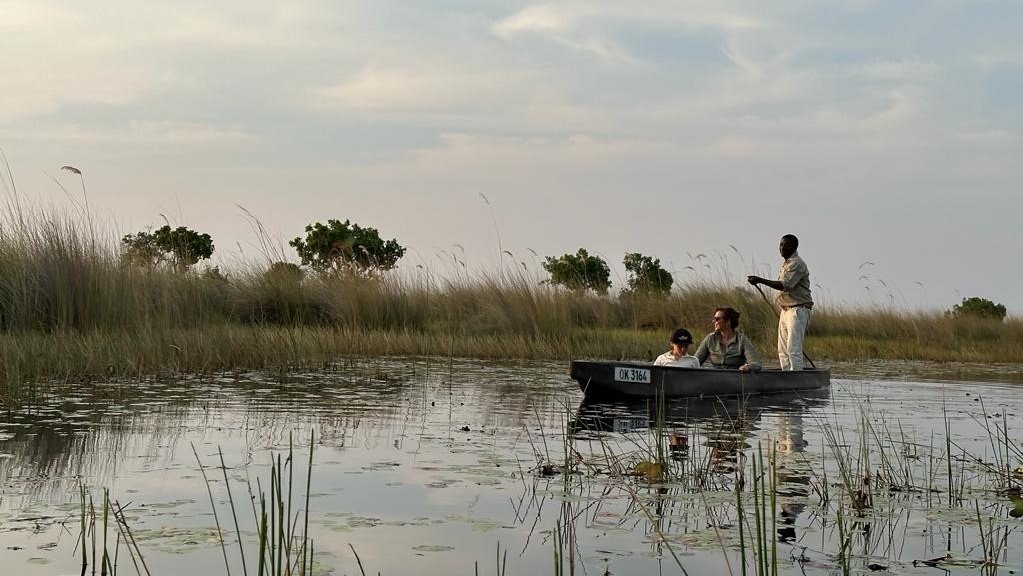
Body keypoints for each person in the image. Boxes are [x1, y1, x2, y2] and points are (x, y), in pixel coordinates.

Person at [747, 234, 813, 370]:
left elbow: (784, 285)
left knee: (793, 349)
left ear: (794, 247)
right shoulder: (787, 263)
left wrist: (760, 280)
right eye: (780, 245)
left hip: (797, 310)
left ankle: (796, 379)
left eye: (785, 245)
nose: (781, 248)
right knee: (782, 350)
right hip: (786, 310)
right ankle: (787, 378)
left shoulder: (796, 263)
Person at [694, 307, 761, 372]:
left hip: (735, 379)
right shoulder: (710, 339)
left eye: (717, 319)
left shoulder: (742, 340)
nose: (714, 321)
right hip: (714, 378)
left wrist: (748, 367)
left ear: (728, 322)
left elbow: (756, 363)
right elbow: (695, 362)